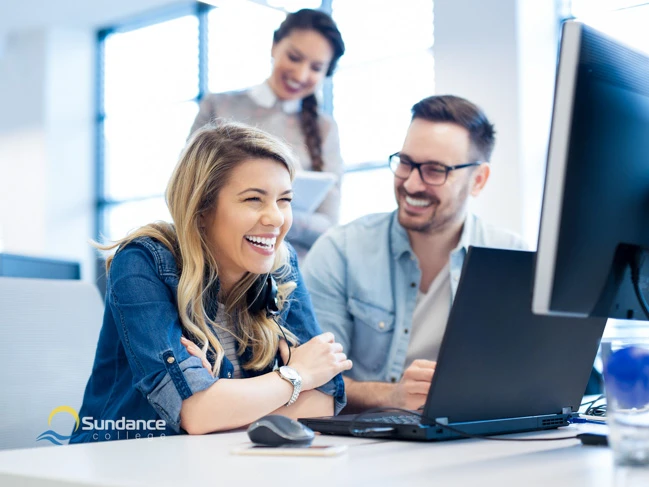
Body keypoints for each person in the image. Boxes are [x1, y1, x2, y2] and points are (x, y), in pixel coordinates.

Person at [70, 122, 351, 444]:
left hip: (220, 463)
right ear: (202, 207)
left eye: (284, 200)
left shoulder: (280, 265)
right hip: (119, 461)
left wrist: (222, 398)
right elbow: (197, 413)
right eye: (253, 200)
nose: (275, 218)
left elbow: (323, 402)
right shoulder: (141, 261)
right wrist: (296, 375)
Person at [302, 95, 527, 412]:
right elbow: (314, 380)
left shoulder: (514, 260)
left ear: (478, 180)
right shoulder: (339, 251)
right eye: (406, 163)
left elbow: (532, 380)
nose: (411, 183)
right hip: (367, 448)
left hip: (476, 441)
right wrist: (391, 396)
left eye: (435, 170)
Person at [189, 9, 345, 256]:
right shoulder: (218, 107)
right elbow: (188, 190)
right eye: (294, 57)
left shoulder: (325, 130)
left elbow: (328, 225)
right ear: (274, 46)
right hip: (217, 262)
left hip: (290, 274)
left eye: (316, 68)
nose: (301, 74)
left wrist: (263, 213)